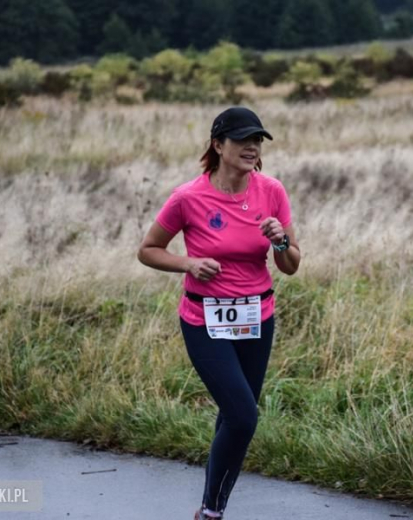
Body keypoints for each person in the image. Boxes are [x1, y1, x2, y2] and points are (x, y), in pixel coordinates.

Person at [137, 106, 300, 520]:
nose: (252, 147)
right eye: (243, 139)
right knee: (244, 417)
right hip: (204, 321)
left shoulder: (272, 191)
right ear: (217, 144)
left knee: (233, 415)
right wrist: (189, 264)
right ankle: (212, 511)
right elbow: (148, 250)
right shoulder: (189, 197)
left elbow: (291, 264)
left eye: (257, 140)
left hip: (256, 318)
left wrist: (280, 242)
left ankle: (210, 508)